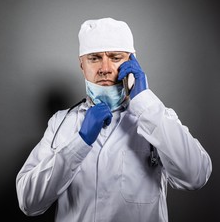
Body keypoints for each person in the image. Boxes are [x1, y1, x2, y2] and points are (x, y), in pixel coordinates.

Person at [16, 17, 212, 222]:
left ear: (132, 62)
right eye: (94, 58)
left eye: (115, 57)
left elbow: (196, 175)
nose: (105, 68)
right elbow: (29, 202)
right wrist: (80, 143)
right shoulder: (61, 122)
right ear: (81, 64)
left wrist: (144, 102)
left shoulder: (156, 117)